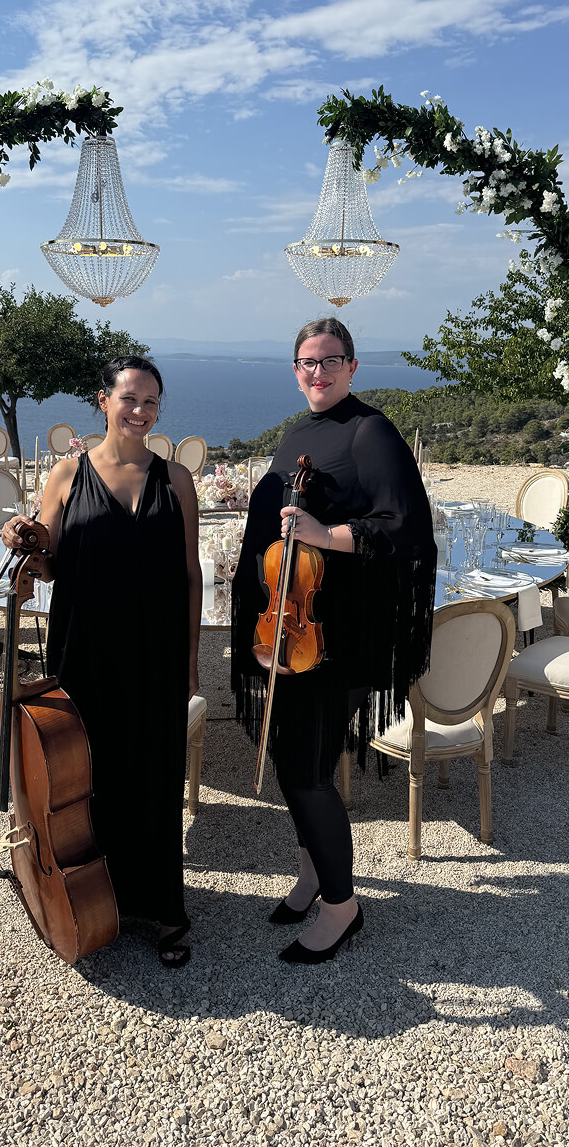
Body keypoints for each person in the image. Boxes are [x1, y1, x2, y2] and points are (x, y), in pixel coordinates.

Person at [231, 318, 436, 964]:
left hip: (338, 634)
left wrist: (324, 535)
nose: (315, 373)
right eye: (304, 363)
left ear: (352, 366)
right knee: (299, 760)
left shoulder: (369, 430)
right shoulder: (300, 432)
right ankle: (314, 875)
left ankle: (343, 908)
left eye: (328, 361)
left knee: (304, 770)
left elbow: (403, 527)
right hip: (293, 628)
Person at [2, 356, 202, 968]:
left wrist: (191, 661)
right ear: (103, 400)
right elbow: (48, 560)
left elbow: (190, 573)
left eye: (151, 402)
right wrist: (22, 540)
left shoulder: (177, 480)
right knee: (86, 776)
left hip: (156, 651)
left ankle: (164, 906)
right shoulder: (65, 475)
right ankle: (91, 894)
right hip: (84, 648)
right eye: (129, 399)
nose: (140, 411)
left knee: (155, 774)